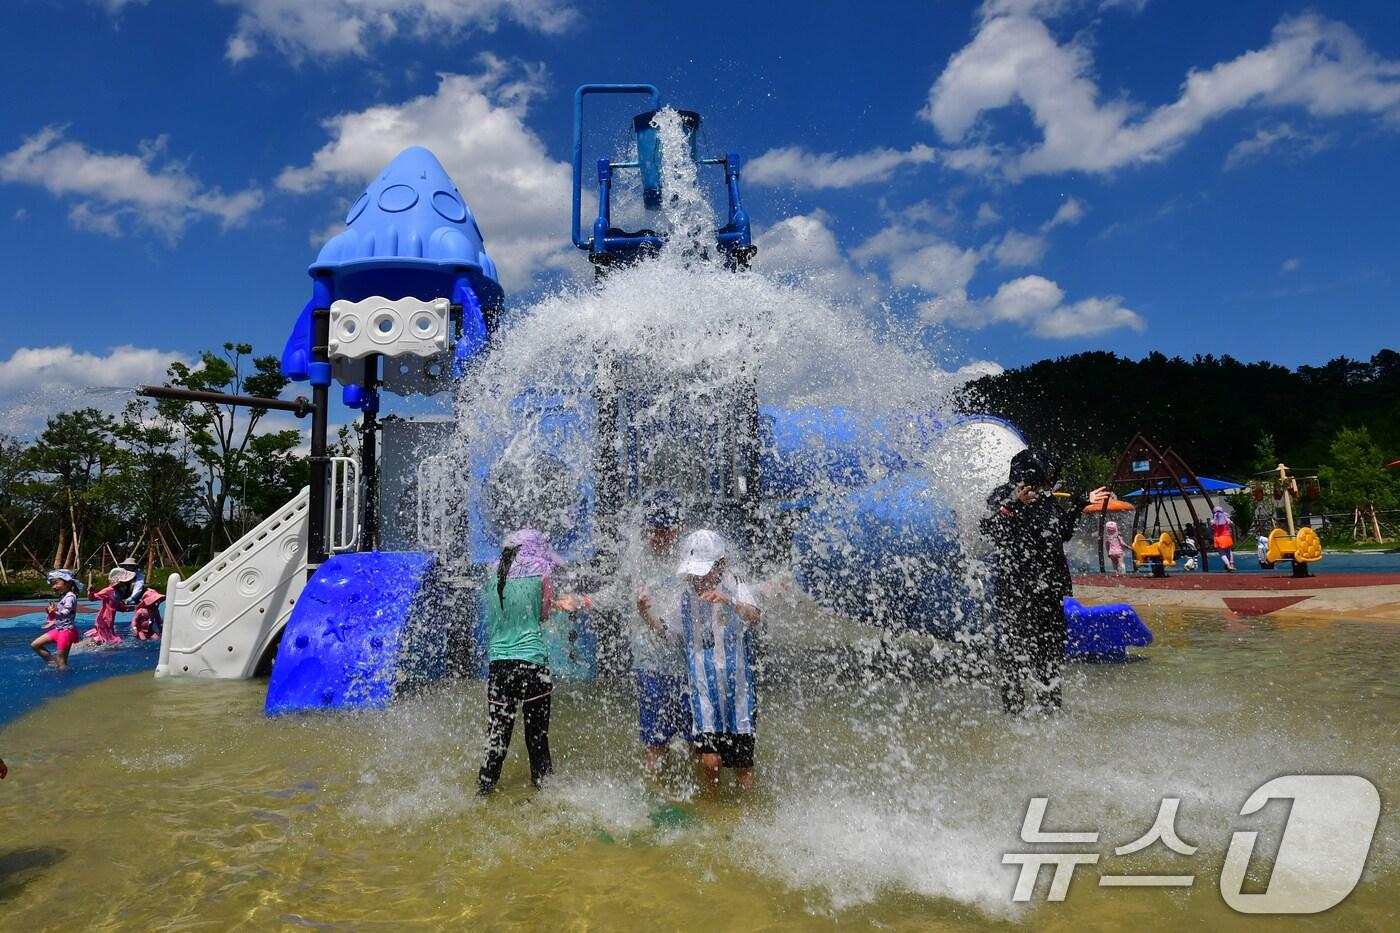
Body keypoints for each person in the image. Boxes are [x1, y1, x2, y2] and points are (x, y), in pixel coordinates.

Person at [982, 449, 1107, 715]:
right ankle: (1013, 714)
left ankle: (1051, 712)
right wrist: (1014, 505)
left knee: (1049, 655)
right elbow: (990, 533)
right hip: (1017, 591)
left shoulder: (1046, 501)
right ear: (1028, 475)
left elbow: (1062, 533)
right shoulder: (1001, 497)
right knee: (1014, 653)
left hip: (1050, 589)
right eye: (1046, 478)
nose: (1050, 484)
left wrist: (1079, 504)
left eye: (1051, 479)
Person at [477, 529, 587, 795]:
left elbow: (498, 613)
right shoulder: (541, 571)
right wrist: (554, 604)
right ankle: (543, 793)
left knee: (497, 737)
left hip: (499, 664)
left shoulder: (493, 572)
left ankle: (484, 790)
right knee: (537, 737)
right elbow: (543, 614)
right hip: (532, 663)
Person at [673, 529, 762, 794]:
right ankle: (712, 810)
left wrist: (730, 601)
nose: (697, 579)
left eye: (703, 572)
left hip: (739, 693)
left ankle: (743, 816)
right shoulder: (683, 596)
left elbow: (755, 616)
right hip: (704, 693)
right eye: (693, 573)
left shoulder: (736, 583)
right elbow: (669, 631)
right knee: (710, 761)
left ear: (720, 564)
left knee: (742, 766)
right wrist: (645, 613)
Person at [32, 569, 84, 669]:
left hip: (66, 631)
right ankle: (53, 664)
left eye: (56, 583)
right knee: (35, 645)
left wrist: (54, 612)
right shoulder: (63, 597)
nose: (54, 587)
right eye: (52, 584)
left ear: (68, 582)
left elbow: (65, 612)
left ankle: (64, 680)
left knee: (62, 661)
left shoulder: (70, 596)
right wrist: (51, 613)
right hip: (58, 630)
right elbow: (58, 615)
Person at [87, 567, 135, 644]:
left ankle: (91, 644)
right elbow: (92, 598)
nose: (127, 583)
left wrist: (131, 608)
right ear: (119, 581)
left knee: (104, 639)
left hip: (109, 620)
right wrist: (91, 592)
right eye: (124, 581)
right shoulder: (108, 590)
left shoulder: (118, 592)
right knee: (110, 640)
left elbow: (117, 606)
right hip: (103, 619)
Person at [1211, 506, 1237, 573]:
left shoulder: (1213, 521)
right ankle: (1232, 564)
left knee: (1222, 553)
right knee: (1229, 551)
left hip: (1218, 538)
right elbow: (1232, 524)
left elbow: (1212, 526)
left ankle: (1228, 565)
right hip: (1226, 537)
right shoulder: (1226, 520)